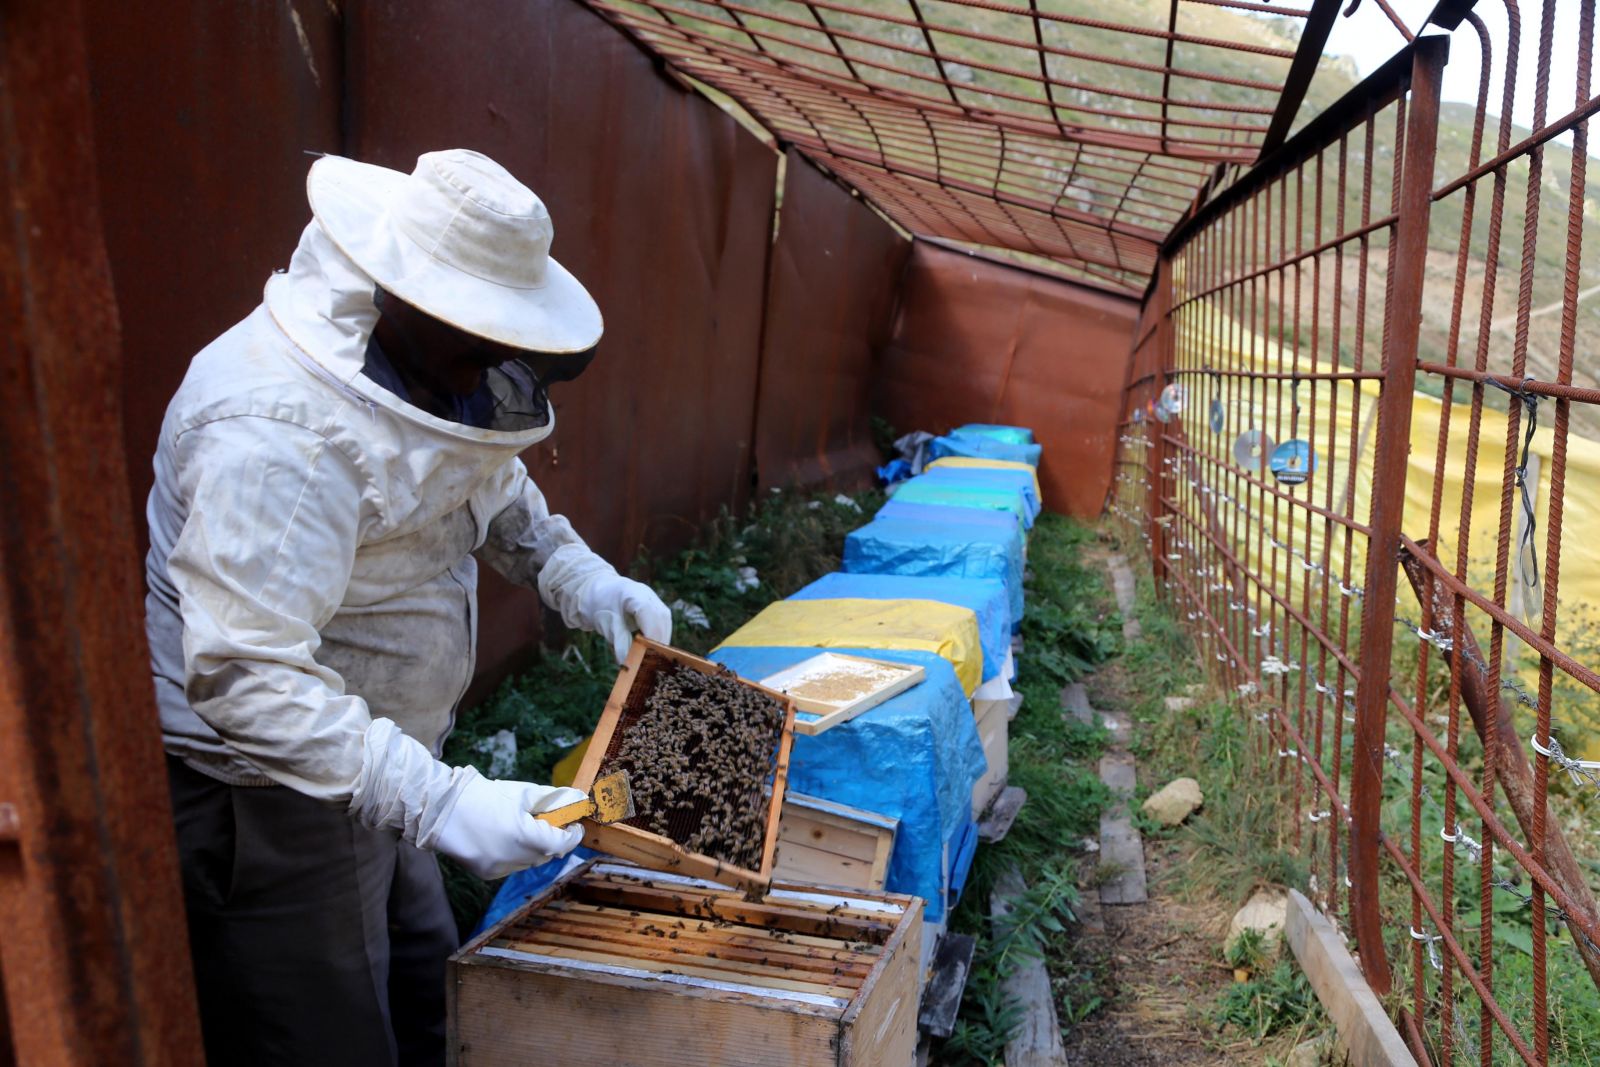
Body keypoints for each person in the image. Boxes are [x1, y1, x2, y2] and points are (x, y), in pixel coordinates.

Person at [143, 148, 672, 1066]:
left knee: (429, 980)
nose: (498, 357)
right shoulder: (278, 432)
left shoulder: (432, 372)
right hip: (265, 793)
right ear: (403, 293)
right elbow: (247, 678)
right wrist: (443, 803)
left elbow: (491, 488)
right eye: (480, 330)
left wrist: (579, 577)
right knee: (332, 1036)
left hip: (385, 766)